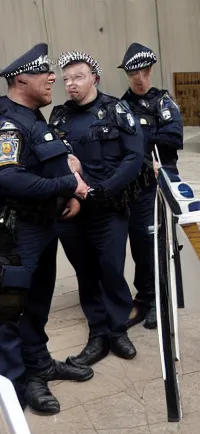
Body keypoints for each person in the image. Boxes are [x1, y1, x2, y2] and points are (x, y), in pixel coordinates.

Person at [0, 43, 93, 414]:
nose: (53, 77)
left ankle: (39, 364)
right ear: (20, 78)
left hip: (43, 226)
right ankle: (16, 388)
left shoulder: (35, 117)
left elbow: (49, 163)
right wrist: (67, 186)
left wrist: (67, 195)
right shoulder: (9, 123)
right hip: (16, 236)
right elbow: (9, 180)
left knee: (38, 305)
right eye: (44, 72)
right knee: (10, 313)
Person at [49, 51, 144, 367]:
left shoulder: (117, 110)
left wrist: (99, 189)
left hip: (108, 207)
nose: (71, 84)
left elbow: (134, 158)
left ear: (95, 78)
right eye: (66, 80)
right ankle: (98, 333)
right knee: (86, 273)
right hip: (73, 212)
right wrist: (73, 189)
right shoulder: (59, 116)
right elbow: (54, 161)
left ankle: (118, 330)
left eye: (77, 77)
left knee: (111, 269)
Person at [118, 42, 184, 330]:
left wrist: (141, 142)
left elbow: (173, 138)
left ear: (151, 70)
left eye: (144, 71)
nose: (139, 78)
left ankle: (160, 299)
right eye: (133, 73)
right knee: (138, 244)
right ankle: (144, 297)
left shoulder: (164, 103)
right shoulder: (120, 106)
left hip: (160, 183)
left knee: (159, 243)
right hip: (133, 187)